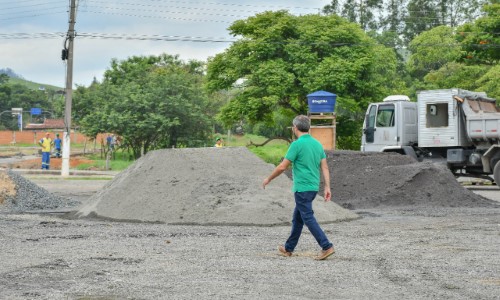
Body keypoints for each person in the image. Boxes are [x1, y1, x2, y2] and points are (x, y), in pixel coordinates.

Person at [262, 115, 334, 260]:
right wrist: (327, 187)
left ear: (295, 128)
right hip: (313, 187)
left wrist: (268, 178)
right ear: (308, 127)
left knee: (307, 217)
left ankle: (326, 246)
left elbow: (283, 166)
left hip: (302, 188)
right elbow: (324, 167)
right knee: (298, 218)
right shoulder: (317, 144)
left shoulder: (296, 145)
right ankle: (288, 248)